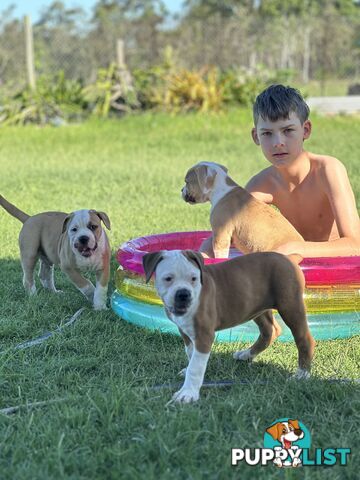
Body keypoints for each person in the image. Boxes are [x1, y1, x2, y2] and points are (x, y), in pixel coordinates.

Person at [246, 84, 360, 258]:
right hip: (295, 269)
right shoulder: (260, 185)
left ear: (305, 130)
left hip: (341, 273)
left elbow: (355, 245)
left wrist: (295, 248)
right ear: (256, 137)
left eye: (288, 130)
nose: (278, 142)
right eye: (267, 133)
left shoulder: (328, 171)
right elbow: (226, 233)